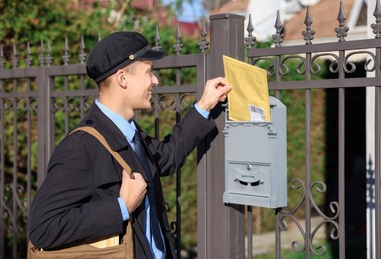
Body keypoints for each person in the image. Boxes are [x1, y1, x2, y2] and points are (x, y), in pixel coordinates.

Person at [28, 31, 231, 258]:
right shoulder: (81, 146)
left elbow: (168, 156)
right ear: (122, 78)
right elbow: (42, 228)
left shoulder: (130, 133)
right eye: (148, 72)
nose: (155, 80)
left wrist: (204, 105)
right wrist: (121, 206)